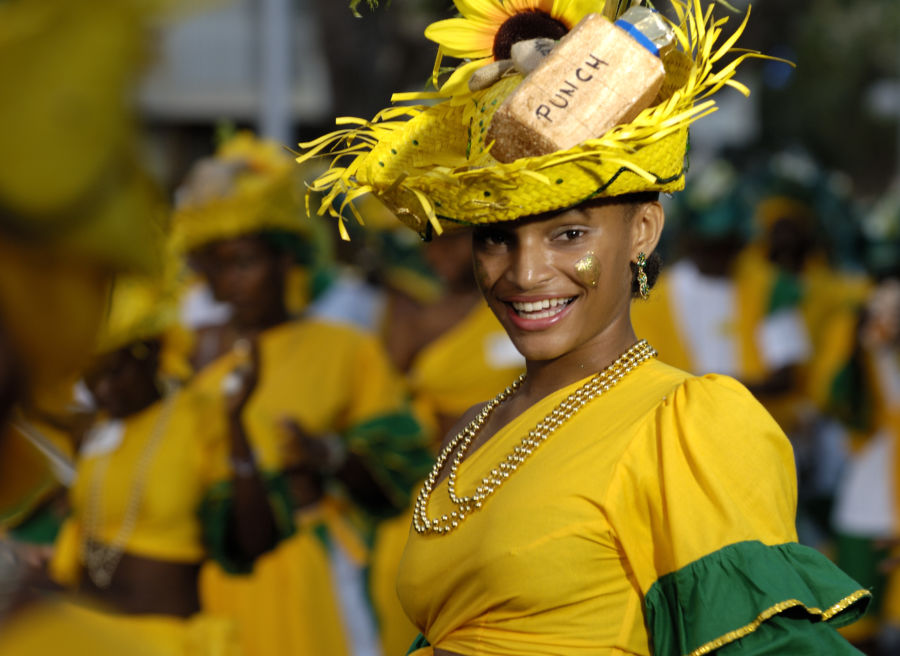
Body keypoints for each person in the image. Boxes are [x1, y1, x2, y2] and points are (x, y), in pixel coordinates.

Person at [299, 0, 871, 653]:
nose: (525, 272)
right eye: (495, 239)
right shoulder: (482, 424)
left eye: (568, 234)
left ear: (643, 231)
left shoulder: (683, 426)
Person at [171, 131, 432, 656]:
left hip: (322, 578)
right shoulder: (202, 381)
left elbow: (401, 475)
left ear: (287, 260)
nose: (231, 282)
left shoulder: (345, 350)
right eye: (218, 266)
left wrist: (329, 457)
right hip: (226, 593)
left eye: (245, 261)